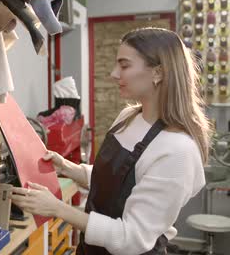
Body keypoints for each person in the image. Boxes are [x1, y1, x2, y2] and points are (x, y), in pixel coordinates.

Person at [12, 28, 211, 255]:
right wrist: (68, 168)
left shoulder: (177, 151)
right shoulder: (128, 118)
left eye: (124, 65)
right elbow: (116, 181)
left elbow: (132, 237)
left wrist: (58, 209)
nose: (114, 74)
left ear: (158, 73)